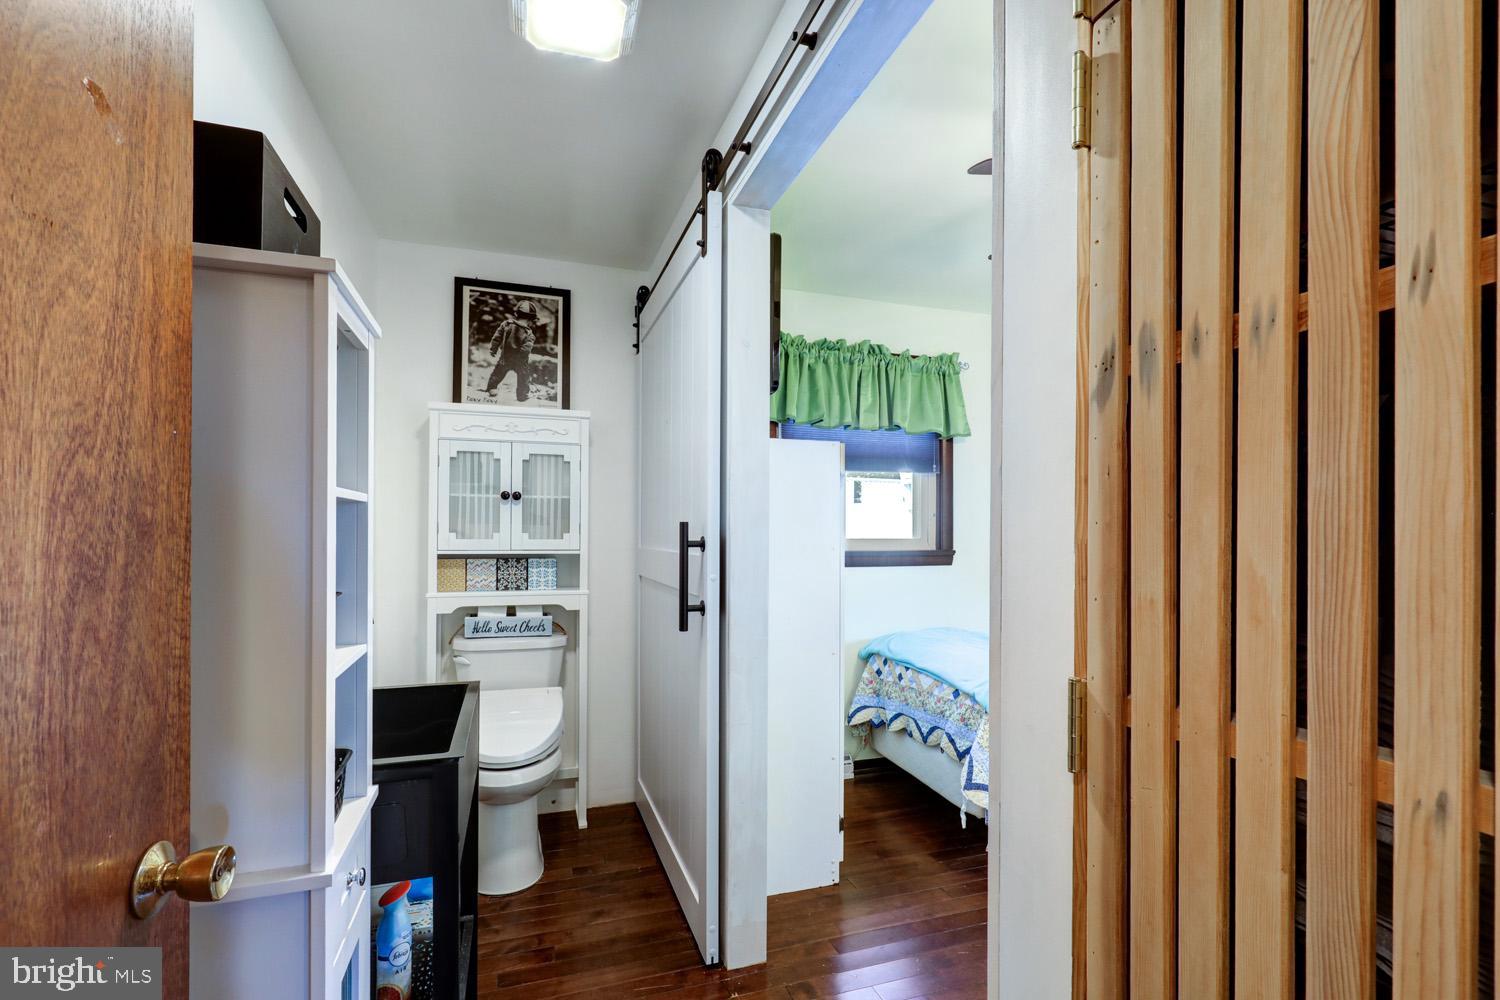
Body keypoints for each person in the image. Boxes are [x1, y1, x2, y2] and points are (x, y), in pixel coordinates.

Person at [485, 299, 540, 401]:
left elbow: (497, 337)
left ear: (516, 314)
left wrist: (493, 349)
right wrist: (521, 359)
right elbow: (526, 349)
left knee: (497, 373)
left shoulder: (506, 324)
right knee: (523, 377)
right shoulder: (529, 334)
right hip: (520, 361)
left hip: (505, 357)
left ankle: (491, 388)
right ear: (530, 321)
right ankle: (522, 396)